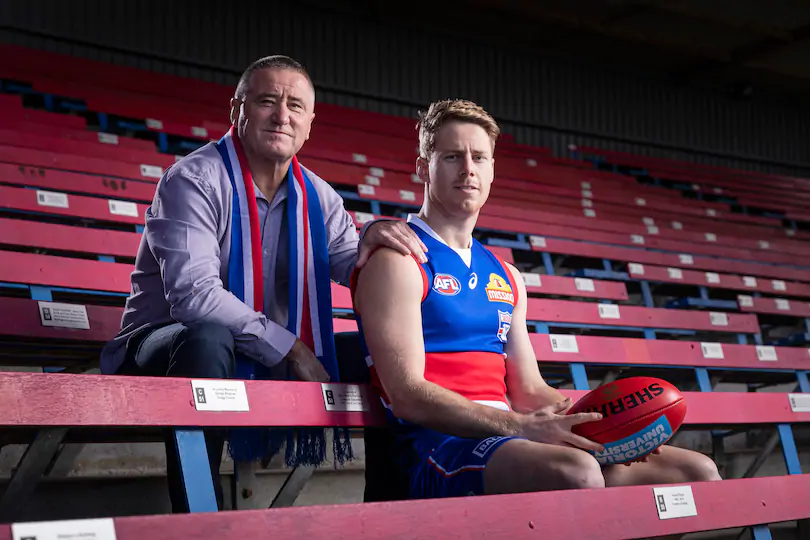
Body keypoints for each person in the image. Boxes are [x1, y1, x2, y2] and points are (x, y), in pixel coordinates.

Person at [99, 55, 427, 512]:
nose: (282, 115)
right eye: (267, 100)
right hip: (163, 347)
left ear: (311, 123)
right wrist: (291, 348)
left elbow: (355, 267)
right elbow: (193, 297)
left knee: (384, 352)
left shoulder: (319, 197)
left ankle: (389, 513)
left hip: (256, 344)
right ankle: (200, 518)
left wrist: (377, 238)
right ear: (238, 109)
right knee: (209, 338)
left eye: (295, 105)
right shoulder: (194, 179)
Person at [351, 99, 721, 500]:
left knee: (696, 471)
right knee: (577, 473)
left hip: (511, 438)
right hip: (438, 447)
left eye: (479, 157)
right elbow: (407, 396)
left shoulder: (507, 276)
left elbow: (528, 390)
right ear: (424, 167)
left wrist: (604, 424)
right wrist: (520, 425)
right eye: (452, 156)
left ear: (493, 168)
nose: (468, 169)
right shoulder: (398, 261)